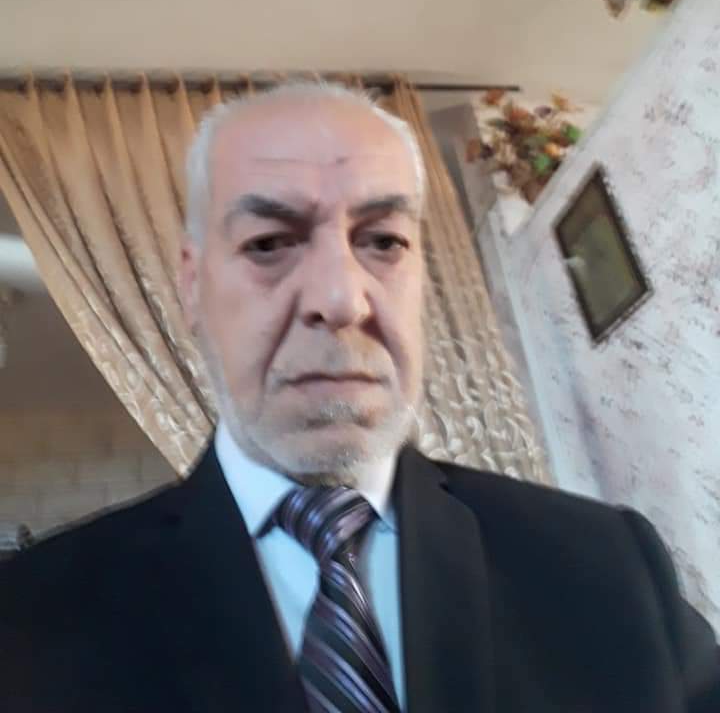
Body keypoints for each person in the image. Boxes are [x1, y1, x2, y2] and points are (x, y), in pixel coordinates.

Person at [0, 82, 718, 713]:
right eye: (269, 244)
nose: (342, 299)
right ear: (191, 286)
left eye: (382, 241)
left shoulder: (612, 570)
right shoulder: (28, 622)